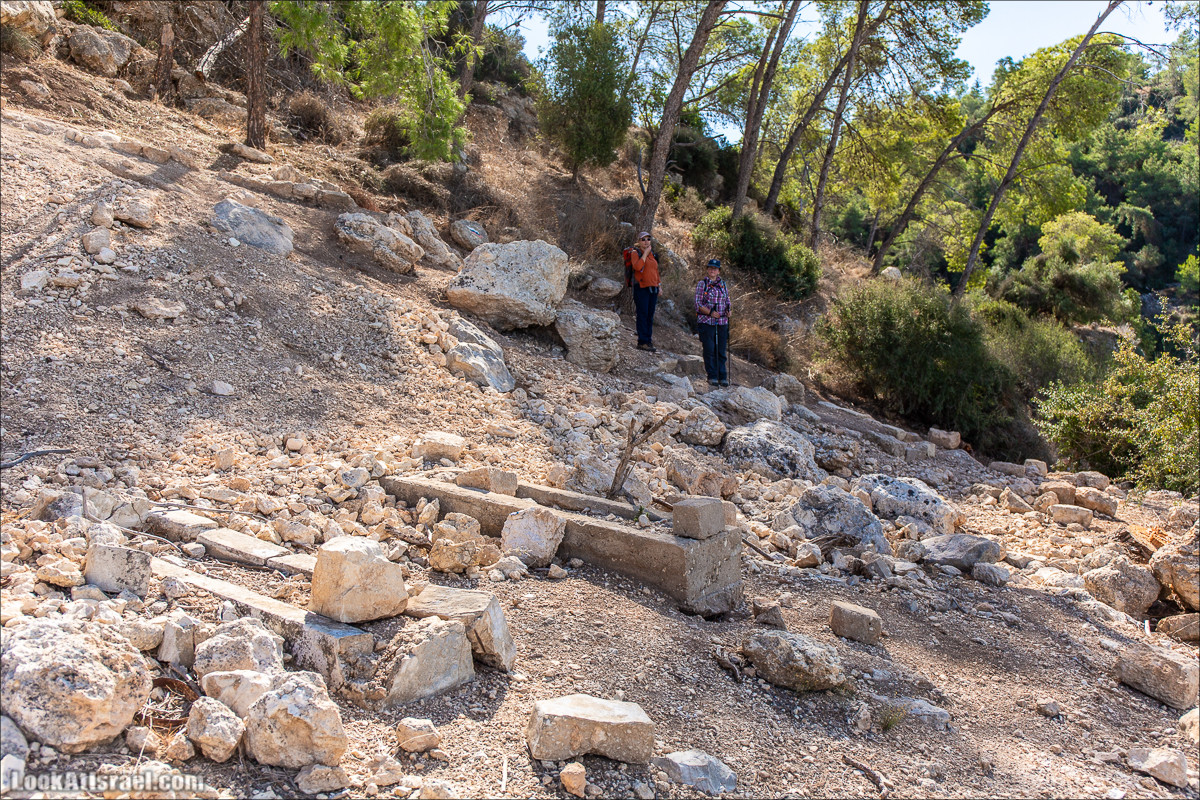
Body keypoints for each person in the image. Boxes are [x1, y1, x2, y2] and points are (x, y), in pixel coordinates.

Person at [694, 258, 730, 386]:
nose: (712, 270)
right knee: (709, 349)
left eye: (715, 268)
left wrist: (728, 311)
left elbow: (727, 300)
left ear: (718, 271)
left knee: (721, 350)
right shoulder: (702, 284)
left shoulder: (723, 284)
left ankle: (722, 376)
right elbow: (698, 304)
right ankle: (712, 376)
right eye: (710, 268)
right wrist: (710, 312)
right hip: (706, 322)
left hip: (722, 322)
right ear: (707, 270)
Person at [628, 231, 660, 352]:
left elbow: (655, 271)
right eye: (643, 239)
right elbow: (637, 267)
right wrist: (645, 254)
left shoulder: (653, 254)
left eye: (648, 239)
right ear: (639, 242)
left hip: (653, 288)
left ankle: (648, 341)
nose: (646, 241)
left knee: (650, 316)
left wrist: (659, 285)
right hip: (641, 288)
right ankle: (642, 342)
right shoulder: (635, 253)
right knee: (642, 315)